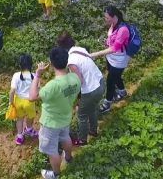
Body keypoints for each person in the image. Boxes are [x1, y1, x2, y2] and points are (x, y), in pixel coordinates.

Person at [30, 48, 81, 179]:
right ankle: (68, 158)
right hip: (65, 118)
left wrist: (37, 75)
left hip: (51, 123)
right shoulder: (75, 77)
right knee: (65, 137)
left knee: (52, 150)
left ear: (51, 64)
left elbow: (32, 96)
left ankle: (56, 174)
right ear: (66, 61)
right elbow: (79, 81)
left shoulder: (53, 86)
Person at [57, 32, 104, 146]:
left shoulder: (71, 61)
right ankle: (93, 131)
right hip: (101, 83)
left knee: (82, 115)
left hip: (91, 91)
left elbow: (79, 81)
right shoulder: (80, 49)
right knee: (92, 108)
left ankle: (82, 140)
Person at [88, 6, 130, 113]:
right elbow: (112, 41)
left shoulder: (123, 30)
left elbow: (115, 48)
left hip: (119, 60)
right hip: (111, 57)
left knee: (110, 81)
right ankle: (122, 92)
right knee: (116, 77)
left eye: (107, 18)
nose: (105, 19)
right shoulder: (113, 24)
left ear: (114, 16)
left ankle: (107, 102)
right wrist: (107, 42)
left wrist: (96, 54)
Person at [9, 54, 38, 145]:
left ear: (20, 64)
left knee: (19, 119)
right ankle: (29, 129)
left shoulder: (16, 75)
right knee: (30, 116)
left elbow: (12, 91)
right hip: (29, 101)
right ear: (31, 64)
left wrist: (11, 102)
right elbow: (37, 90)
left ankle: (19, 136)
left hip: (18, 100)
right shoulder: (34, 76)